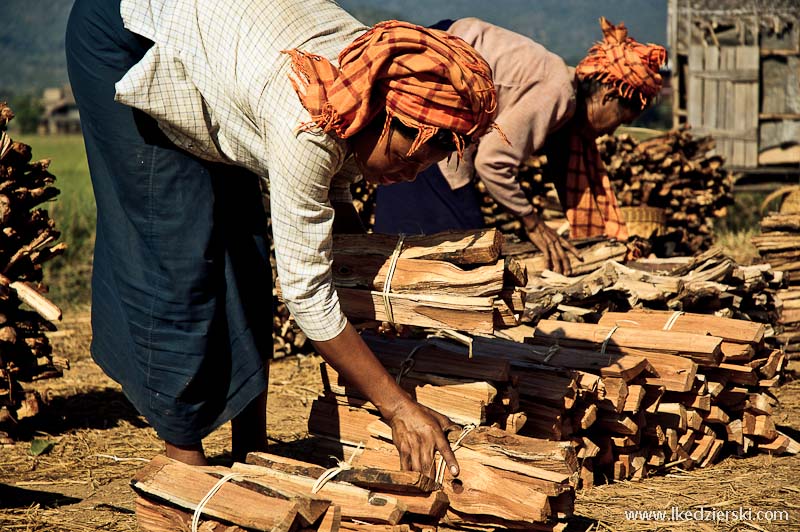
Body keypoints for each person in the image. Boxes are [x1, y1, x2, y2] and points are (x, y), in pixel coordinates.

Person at [65, 0, 499, 472]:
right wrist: (395, 406)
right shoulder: (309, 117)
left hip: (217, 53)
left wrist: (366, 292)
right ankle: (185, 465)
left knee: (246, 243)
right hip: (129, 35)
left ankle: (251, 448)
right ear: (382, 116)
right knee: (177, 246)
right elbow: (307, 294)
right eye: (407, 157)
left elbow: (330, 204)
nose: (411, 176)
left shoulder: (362, 82)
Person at [374, 17, 667, 275]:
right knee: (462, 259)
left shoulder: (560, 90)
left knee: (417, 243)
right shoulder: (560, 94)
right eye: (619, 120)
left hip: (438, 78)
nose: (611, 131)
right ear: (608, 98)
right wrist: (533, 223)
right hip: (434, 93)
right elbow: (492, 161)